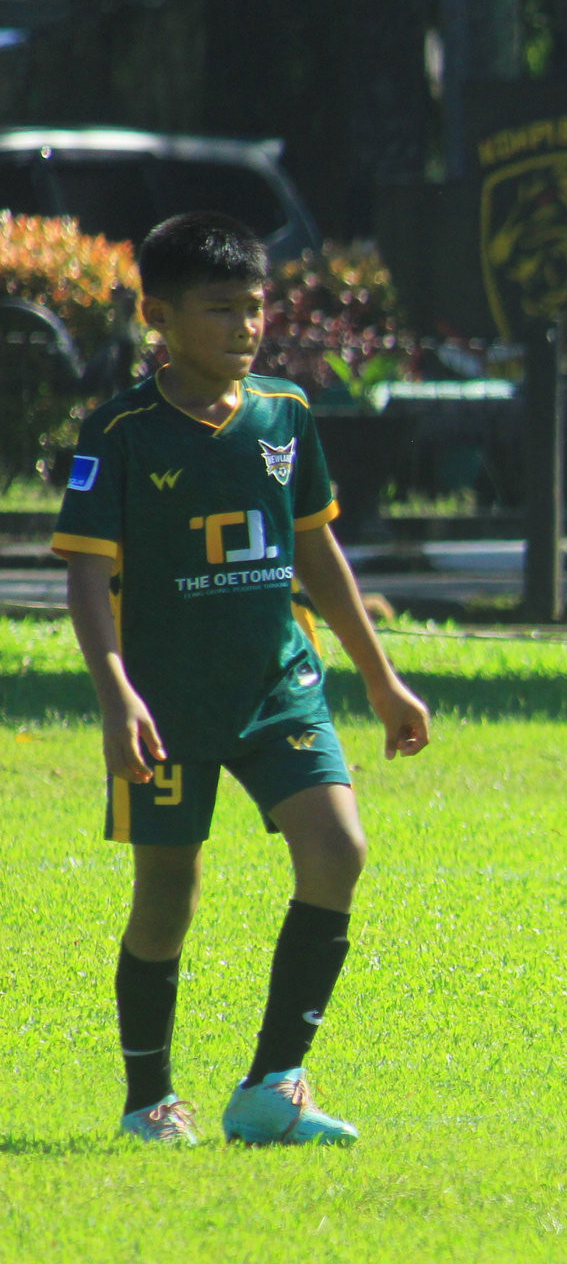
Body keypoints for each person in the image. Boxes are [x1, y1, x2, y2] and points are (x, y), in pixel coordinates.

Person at [51, 212, 431, 1147]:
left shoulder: (285, 415)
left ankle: (273, 1083)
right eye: (221, 310)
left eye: (256, 308)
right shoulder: (124, 433)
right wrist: (116, 696)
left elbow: (315, 547)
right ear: (160, 316)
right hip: (167, 703)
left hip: (277, 684)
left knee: (339, 849)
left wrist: (380, 677)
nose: (245, 327)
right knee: (166, 899)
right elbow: (86, 576)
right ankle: (149, 1098)